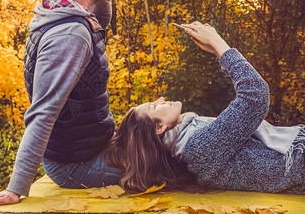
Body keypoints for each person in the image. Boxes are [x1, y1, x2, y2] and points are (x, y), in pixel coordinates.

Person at [0, 0, 123, 207]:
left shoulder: (65, 16)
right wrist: (17, 187)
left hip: (89, 148)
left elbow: (100, 27)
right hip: (75, 164)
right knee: (168, 161)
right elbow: (44, 110)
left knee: (163, 133)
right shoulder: (69, 35)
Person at [103, 21, 305, 195]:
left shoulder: (193, 140)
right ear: (159, 128)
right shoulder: (199, 149)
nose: (161, 98)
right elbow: (255, 96)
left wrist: (217, 50)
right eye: (154, 107)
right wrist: (218, 43)